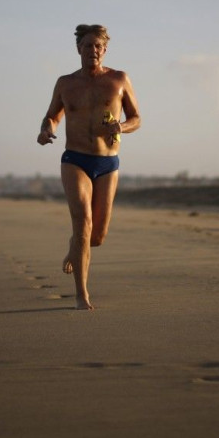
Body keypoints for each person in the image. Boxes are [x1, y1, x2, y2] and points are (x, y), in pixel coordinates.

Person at [37, 24, 141, 310]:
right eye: (87, 45)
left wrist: (120, 126)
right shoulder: (65, 83)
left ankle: (76, 246)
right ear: (78, 49)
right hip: (75, 159)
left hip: (107, 162)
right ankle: (81, 295)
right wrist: (46, 130)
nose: (93, 50)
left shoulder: (119, 80)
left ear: (104, 50)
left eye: (98, 46)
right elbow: (52, 117)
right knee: (82, 222)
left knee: (95, 237)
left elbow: (136, 118)